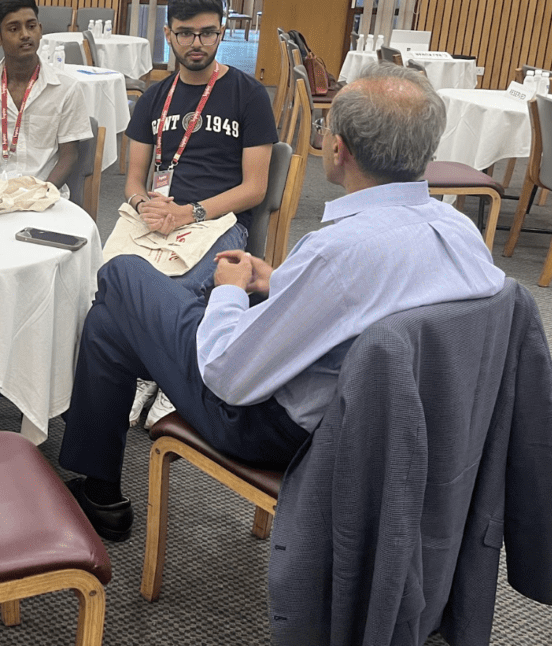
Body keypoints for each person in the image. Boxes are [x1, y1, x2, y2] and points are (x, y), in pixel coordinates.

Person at [58, 64, 505, 542]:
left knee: (124, 276)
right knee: (111, 325)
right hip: (397, 426)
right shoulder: (462, 233)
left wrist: (229, 287)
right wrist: (286, 284)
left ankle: (98, 486)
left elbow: (228, 376)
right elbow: (378, 301)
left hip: (275, 428)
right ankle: (100, 491)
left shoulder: (336, 252)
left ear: (338, 149)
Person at [125, 0, 277, 296]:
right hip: (159, 219)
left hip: (219, 223)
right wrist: (143, 206)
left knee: (176, 292)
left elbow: (255, 188)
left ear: (221, 33)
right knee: (109, 282)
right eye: (185, 33)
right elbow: (133, 183)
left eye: (207, 33)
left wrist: (190, 212)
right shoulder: (152, 98)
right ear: (168, 35)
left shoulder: (249, 95)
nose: (197, 43)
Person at [0, 0, 91, 192]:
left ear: (40, 30)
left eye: (31, 26)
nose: (25, 34)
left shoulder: (66, 88)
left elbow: (68, 156)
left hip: (46, 195)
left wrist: (40, 195)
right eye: (14, 28)